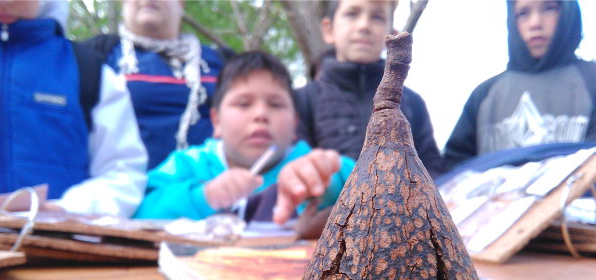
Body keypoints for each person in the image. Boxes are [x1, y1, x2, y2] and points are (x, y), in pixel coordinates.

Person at [132, 51, 355, 223]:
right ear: (216, 121)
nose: (260, 114)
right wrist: (203, 197)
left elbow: (367, 186)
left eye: (276, 104)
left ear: (295, 123)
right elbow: (136, 211)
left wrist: (327, 183)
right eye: (243, 103)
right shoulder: (188, 165)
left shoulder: (308, 163)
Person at [0, 0, 148, 217]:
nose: (6, 1)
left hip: (57, 244)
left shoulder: (88, 70)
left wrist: (66, 210)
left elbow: (123, 171)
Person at [295, 0, 446, 180]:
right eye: (352, 14)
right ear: (328, 29)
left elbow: (433, 168)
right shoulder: (301, 100)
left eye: (377, 17)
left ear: (392, 35)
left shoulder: (413, 102)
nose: (364, 25)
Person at [444, 0, 596, 169]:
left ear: (568, 12)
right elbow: (454, 167)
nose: (535, 23)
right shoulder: (484, 95)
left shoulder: (592, 81)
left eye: (548, 8)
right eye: (523, 13)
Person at [83, 0, 226, 170]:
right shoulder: (93, 58)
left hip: (210, 189)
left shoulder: (223, 63)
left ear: (181, 3)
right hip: (123, 192)